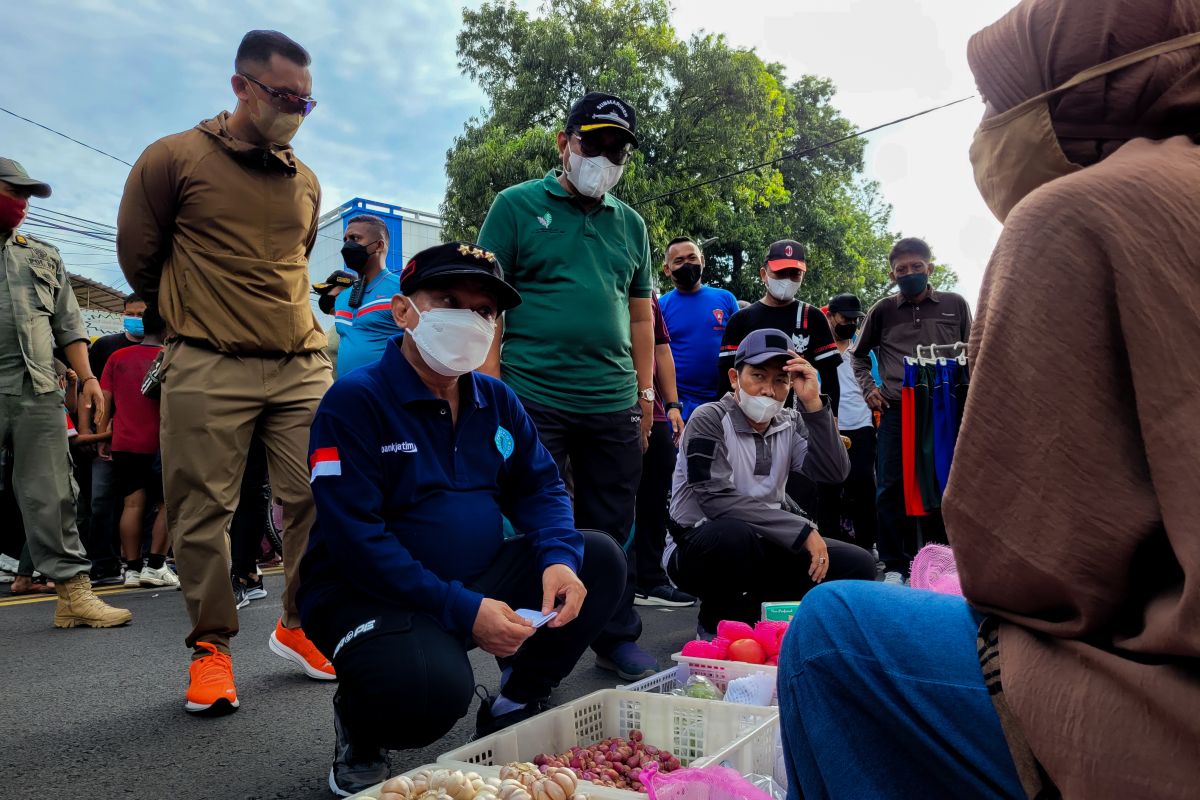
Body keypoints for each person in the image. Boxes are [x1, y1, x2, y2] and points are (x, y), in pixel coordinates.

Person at [778, 4, 1200, 798]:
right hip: (901, 411)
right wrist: (869, 387)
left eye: (999, 105)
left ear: (1067, 91)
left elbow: (1026, 565)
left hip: (1175, 726)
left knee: (836, 628)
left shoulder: (1077, 212)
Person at [301, 242, 625, 795]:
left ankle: (516, 698)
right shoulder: (355, 402)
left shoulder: (495, 400)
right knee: (428, 695)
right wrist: (463, 608)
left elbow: (542, 485)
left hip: (470, 579)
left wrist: (556, 559)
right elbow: (356, 538)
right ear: (404, 311)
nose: (470, 321)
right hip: (366, 593)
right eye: (449, 299)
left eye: (484, 311)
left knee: (596, 559)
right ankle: (360, 722)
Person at [117, 30, 334, 714]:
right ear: (240, 86)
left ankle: (298, 626)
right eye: (283, 97)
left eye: (307, 101)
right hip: (208, 359)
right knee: (202, 511)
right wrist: (195, 315)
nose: (295, 111)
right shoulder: (173, 158)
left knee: (320, 499)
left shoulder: (305, 179)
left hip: (301, 363)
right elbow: (139, 260)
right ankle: (211, 650)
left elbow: (296, 258)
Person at [477, 91, 659, 681]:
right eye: (594, 141)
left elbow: (639, 318)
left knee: (615, 523)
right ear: (564, 142)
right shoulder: (515, 206)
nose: (605, 156)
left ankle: (615, 633)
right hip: (533, 396)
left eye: (618, 148)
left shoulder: (631, 224)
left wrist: (647, 394)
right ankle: (529, 645)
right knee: (535, 520)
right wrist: (489, 387)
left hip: (612, 399)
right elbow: (486, 304)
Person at [665, 328, 876, 634]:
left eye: (780, 380)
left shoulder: (791, 421)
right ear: (735, 378)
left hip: (767, 541)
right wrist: (801, 530)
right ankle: (715, 625)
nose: (768, 389)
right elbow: (715, 499)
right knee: (735, 536)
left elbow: (833, 472)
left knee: (858, 565)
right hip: (697, 546)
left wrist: (814, 406)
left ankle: (766, 624)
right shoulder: (708, 419)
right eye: (759, 376)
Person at [0, 156, 131, 628]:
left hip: (36, 389)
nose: (21, 204)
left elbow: (68, 325)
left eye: (26, 196)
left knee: (53, 492)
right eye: (13, 192)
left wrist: (89, 378)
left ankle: (73, 596)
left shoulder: (42, 254)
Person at [849, 237, 972, 584]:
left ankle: (946, 560)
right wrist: (869, 390)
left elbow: (975, 351)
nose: (910, 273)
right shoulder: (883, 310)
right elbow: (856, 354)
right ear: (892, 275)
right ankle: (894, 565)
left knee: (945, 482)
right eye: (901, 270)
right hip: (897, 409)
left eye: (917, 267)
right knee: (891, 485)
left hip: (946, 410)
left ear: (930, 268)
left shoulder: (955, 304)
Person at [99, 308, 177, 589]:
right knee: (167, 505)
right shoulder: (171, 358)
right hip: (163, 443)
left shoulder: (117, 357)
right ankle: (155, 566)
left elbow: (104, 400)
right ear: (168, 330)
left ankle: (131, 570)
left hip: (125, 441)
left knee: (132, 504)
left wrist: (102, 435)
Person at [719, 241, 842, 416]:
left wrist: (832, 419)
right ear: (763, 274)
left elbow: (830, 378)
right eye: (780, 272)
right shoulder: (741, 320)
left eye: (795, 274)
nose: (787, 279)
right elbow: (725, 378)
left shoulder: (812, 317)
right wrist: (725, 419)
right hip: (748, 416)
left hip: (799, 419)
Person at [632, 295, 693, 607]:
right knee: (608, 502)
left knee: (655, 500)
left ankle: (649, 579)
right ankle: (612, 581)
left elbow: (661, 349)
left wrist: (672, 405)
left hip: (653, 412)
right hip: (603, 407)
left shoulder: (647, 296)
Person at [85, 293, 147, 585]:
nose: (135, 319)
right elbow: (95, 394)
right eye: (130, 313)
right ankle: (103, 564)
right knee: (101, 501)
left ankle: (142, 561)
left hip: (146, 440)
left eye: (141, 313)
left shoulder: (163, 348)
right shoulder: (108, 347)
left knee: (142, 503)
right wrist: (96, 434)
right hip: (111, 439)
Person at [815, 294, 877, 556]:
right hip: (828, 428)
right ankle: (830, 545)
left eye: (855, 319)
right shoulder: (816, 352)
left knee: (863, 485)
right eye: (844, 318)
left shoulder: (863, 353)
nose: (850, 323)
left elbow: (875, 387)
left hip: (861, 426)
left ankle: (867, 544)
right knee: (828, 488)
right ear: (830, 316)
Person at [658, 237, 740, 418]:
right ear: (667, 269)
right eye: (679, 261)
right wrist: (671, 404)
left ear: (702, 260)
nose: (687, 264)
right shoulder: (660, 306)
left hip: (724, 403)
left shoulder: (726, 299)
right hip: (679, 407)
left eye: (692, 258)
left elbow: (740, 348)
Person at [330, 216, 403, 377]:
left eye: (355, 238)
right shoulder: (342, 298)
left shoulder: (403, 290)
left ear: (379, 245)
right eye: (346, 240)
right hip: (348, 396)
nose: (348, 245)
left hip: (388, 396)